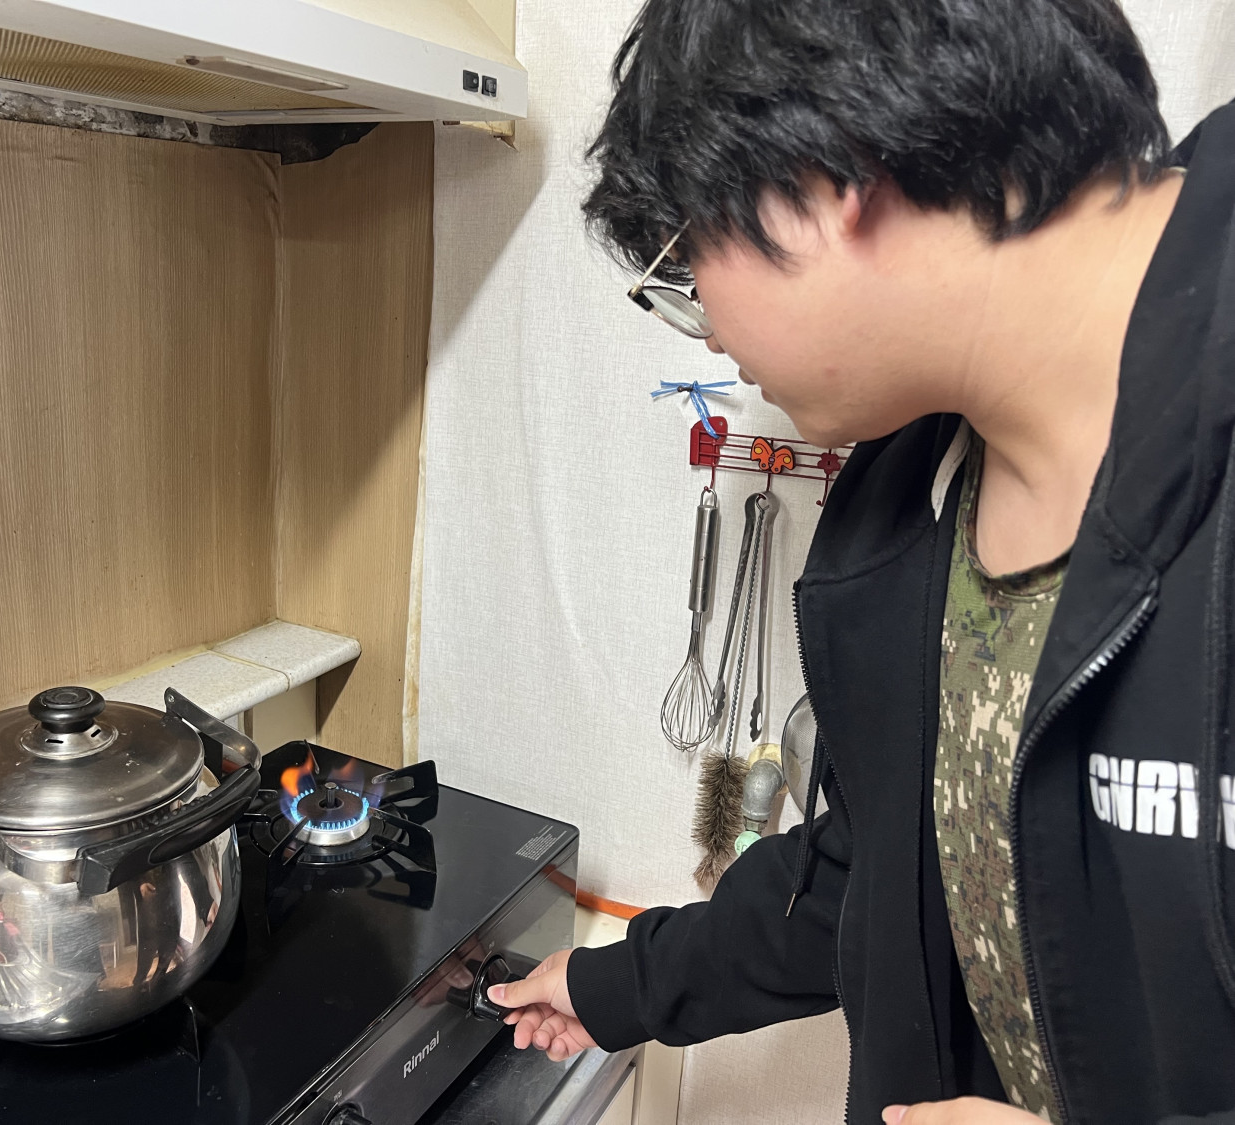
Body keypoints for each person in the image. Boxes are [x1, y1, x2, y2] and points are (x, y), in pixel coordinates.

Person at [485, 1, 1235, 1122]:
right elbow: (896, 867)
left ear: (825, 180)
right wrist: (621, 984)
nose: (711, 333)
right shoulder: (914, 495)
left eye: (688, 261)